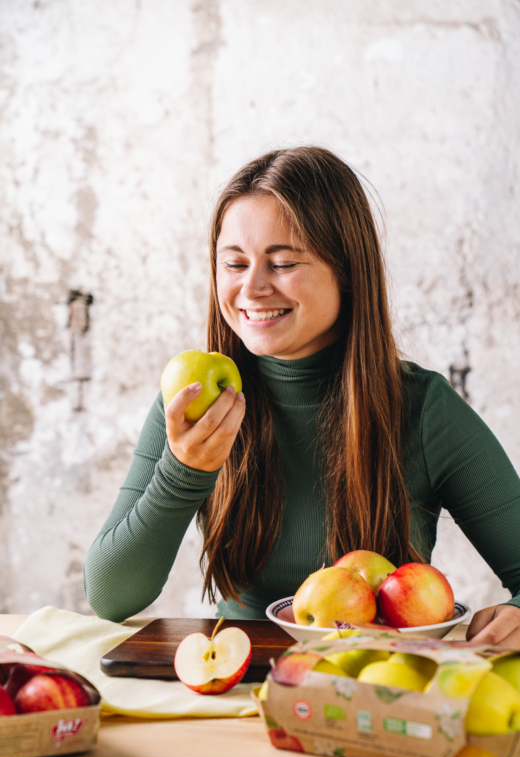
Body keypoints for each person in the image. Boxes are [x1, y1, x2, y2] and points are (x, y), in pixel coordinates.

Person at [84, 146, 520, 648]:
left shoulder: (423, 409)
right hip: (236, 686)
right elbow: (109, 596)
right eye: (234, 263)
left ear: (349, 272)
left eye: (283, 263)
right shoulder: (195, 404)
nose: (252, 288)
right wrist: (185, 470)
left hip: (373, 690)